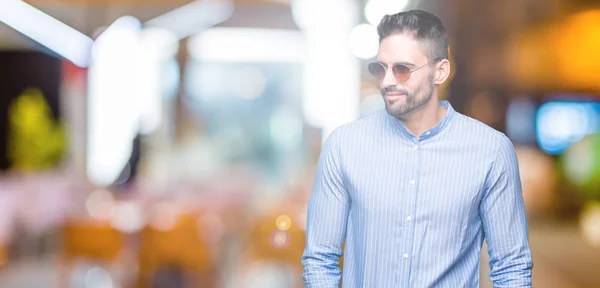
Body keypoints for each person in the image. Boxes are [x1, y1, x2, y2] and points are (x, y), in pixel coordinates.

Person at [301, 9, 533, 288]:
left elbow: (511, 268)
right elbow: (320, 260)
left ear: (440, 71)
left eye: (402, 69)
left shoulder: (491, 152)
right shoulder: (343, 147)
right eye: (380, 68)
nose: (387, 81)